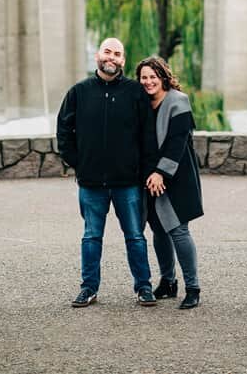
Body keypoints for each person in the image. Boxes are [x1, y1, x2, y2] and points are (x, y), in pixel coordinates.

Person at [56, 37, 159, 307]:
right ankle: (88, 288)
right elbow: (63, 133)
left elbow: (148, 136)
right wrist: (80, 163)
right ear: (98, 56)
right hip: (91, 183)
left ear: (123, 60)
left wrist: (145, 170)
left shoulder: (136, 93)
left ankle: (144, 287)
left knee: (135, 236)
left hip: (128, 182)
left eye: (117, 54)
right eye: (107, 52)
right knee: (91, 237)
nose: (111, 57)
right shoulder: (79, 92)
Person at [136, 56, 204, 310]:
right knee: (158, 230)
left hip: (175, 176)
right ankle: (168, 281)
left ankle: (193, 287)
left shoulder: (178, 101)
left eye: (153, 76)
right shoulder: (142, 103)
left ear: (163, 76)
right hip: (148, 178)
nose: (148, 81)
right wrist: (149, 175)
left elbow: (177, 140)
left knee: (178, 230)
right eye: (144, 77)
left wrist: (161, 173)